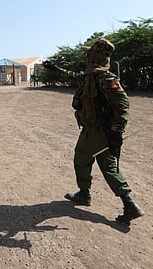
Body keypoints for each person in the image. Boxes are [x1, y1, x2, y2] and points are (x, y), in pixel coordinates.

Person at [43, 38, 144, 225]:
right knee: (84, 159)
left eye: (89, 54)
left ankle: (127, 204)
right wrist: (54, 68)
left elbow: (122, 103)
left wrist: (117, 132)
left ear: (95, 57)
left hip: (100, 132)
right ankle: (86, 194)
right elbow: (73, 76)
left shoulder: (106, 79)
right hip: (92, 130)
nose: (87, 57)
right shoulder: (91, 76)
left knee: (102, 164)